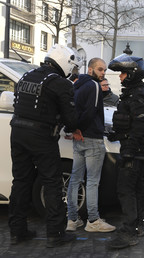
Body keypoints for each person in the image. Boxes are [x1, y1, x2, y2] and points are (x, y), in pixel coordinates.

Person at [8, 44, 82, 247]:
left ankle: (17, 231)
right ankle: (55, 234)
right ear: (64, 63)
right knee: (52, 183)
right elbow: (72, 120)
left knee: (21, 181)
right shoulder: (60, 83)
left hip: (18, 133)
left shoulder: (25, 77)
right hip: (41, 136)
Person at [106, 54, 144, 249]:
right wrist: (115, 135)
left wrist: (130, 151)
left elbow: (139, 128)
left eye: (123, 73)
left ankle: (129, 231)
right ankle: (137, 227)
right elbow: (128, 123)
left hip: (134, 151)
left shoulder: (139, 96)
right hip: (131, 148)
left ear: (133, 74)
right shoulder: (132, 94)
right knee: (136, 190)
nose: (120, 77)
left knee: (126, 190)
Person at [66, 58, 116, 233]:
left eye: (104, 71)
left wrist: (73, 129)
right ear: (90, 69)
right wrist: (79, 128)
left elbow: (71, 109)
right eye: (100, 69)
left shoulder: (77, 84)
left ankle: (72, 219)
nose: (103, 73)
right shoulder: (94, 86)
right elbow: (90, 111)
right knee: (93, 182)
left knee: (75, 178)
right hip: (92, 138)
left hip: (78, 139)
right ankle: (93, 220)